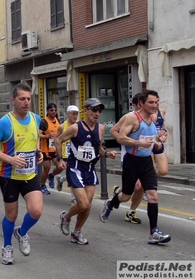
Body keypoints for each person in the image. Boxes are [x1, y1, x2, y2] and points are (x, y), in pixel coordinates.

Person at [100, 90, 171, 244]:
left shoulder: (154, 117)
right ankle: (111, 203)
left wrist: (159, 138)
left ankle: (154, 232)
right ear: (142, 103)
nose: (154, 105)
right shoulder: (132, 118)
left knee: (153, 195)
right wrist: (139, 143)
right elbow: (121, 137)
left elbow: (154, 134)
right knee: (125, 196)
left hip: (146, 161)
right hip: (132, 161)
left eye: (156, 102)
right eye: (151, 102)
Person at [0, 83, 44, 265]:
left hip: (30, 174)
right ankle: (7, 247)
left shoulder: (36, 119)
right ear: (13, 100)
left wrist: (37, 152)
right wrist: (10, 159)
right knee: (11, 215)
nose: (26, 102)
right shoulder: (5, 122)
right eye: (22, 99)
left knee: (36, 211)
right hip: (9, 175)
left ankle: (22, 232)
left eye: (28, 99)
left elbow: (34, 140)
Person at [55, 98, 117, 245]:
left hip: (90, 169)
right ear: (86, 110)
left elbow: (99, 148)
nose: (97, 113)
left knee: (87, 205)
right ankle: (66, 217)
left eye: (99, 111)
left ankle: (77, 232)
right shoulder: (76, 128)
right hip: (75, 167)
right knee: (82, 204)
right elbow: (58, 140)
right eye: (94, 110)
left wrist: (107, 154)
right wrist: (59, 159)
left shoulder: (100, 128)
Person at [109, 93, 144, 224]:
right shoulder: (129, 117)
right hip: (129, 156)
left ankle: (131, 211)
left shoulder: (150, 118)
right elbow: (113, 130)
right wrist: (125, 140)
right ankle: (119, 193)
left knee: (141, 187)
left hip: (145, 156)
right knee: (137, 186)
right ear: (135, 105)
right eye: (139, 104)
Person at [38, 103, 62, 194]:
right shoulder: (44, 122)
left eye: (55, 110)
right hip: (45, 149)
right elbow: (38, 135)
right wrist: (47, 136)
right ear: (47, 111)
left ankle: (51, 176)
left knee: (61, 166)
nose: (54, 112)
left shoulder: (57, 120)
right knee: (47, 168)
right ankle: (43, 185)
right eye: (51, 110)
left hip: (55, 148)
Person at [54, 105, 79, 192]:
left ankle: (61, 180)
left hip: (77, 154)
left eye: (76, 114)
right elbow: (57, 140)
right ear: (68, 114)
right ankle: (74, 199)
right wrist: (59, 156)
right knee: (72, 175)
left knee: (74, 175)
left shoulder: (79, 126)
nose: (75, 116)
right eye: (73, 114)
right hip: (66, 154)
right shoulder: (62, 127)